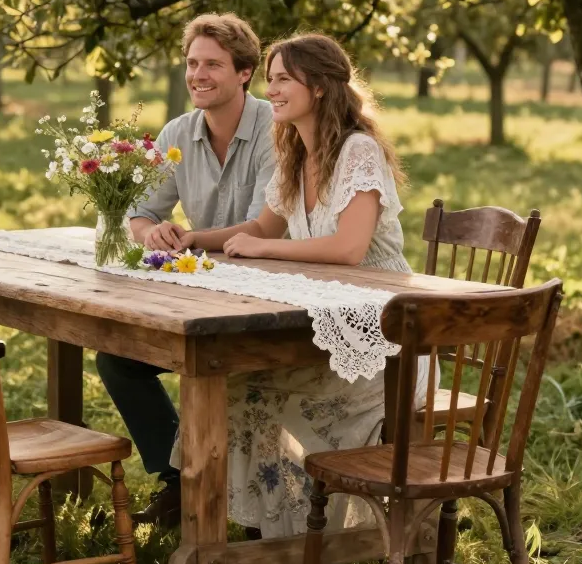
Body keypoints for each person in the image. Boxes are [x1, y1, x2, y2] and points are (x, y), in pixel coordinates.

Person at [176, 33, 430, 538]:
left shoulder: (358, 150)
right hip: (327, 327)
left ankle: (312, 535)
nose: (270, 90)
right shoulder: (294, 150)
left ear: (317, 86)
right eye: (269, 79)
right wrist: (193, 238)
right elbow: (262, 229)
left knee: (255, 397)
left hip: (383, 346)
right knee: (232, 388)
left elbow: (347, 249)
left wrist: (264, 249)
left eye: (283, 79)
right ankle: (266, 530)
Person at [95, 13, 276, 528]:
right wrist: (151, 231)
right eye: (192, 63)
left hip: (267, 293)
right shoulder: (179, 131)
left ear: (244, 73)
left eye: (213, 65)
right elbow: (139, 211)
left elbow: (266, 228)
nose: (198, 74)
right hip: (204, 292)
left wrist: (192, 238)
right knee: (119, 360)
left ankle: (249, 504)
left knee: (231, 375)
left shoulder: (273, 130)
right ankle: (179, 482)